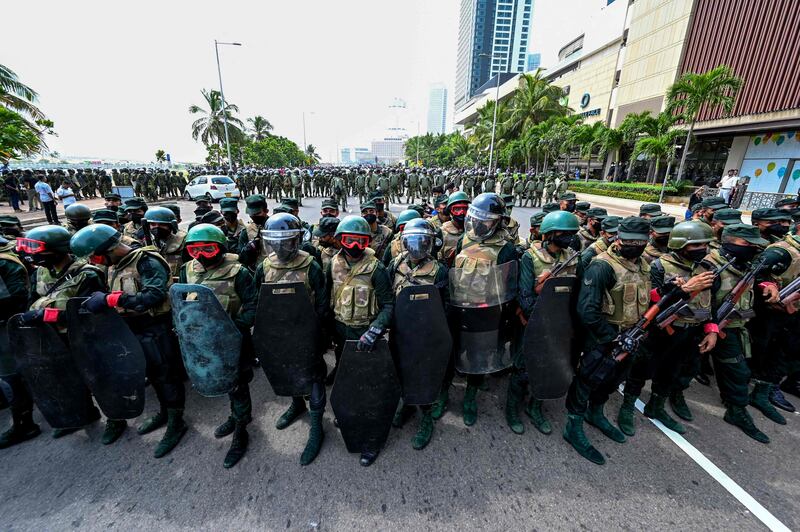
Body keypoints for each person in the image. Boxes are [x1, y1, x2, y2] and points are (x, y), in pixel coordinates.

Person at [71, 224, 188, 458]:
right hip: (132, 328)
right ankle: (165, 412)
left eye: (95, 256)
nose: (95, 262)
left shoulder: (147, 261)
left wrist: (111, 299)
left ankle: (177, 420)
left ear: (107, 249)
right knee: (151, 373)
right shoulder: (115, 266)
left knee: (166, 374)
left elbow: (153, 296)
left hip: (156, 327)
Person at [563, 216, 653, 465]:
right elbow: (587, 311)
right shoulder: (602, 266)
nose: (634, 245)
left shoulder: (644, 265)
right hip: (603, 337)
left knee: (613, 379)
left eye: (640, 241)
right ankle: (573, 426)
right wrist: (613, 338)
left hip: (631, 335)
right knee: (587, 380)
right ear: (618, 238)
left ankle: (596, 412)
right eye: (629, 240)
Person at [619, 221, 717, 436]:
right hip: (660, 331)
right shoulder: (659, 266)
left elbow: (714, 303)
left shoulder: (708, 269)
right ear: (681, 245)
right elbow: (649, 298)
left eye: (705, 245)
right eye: (696, 245)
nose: (703, 249)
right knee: (641, 370)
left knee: (671, 372)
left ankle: (657, 406)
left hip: (690, 332)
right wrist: (684, 289)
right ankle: (627, 407)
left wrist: (711, 329)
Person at [11, 226, 106, 441]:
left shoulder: (87, 274)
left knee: (97, 379)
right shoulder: (41, 272)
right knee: (67, 380)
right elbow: (32, 299)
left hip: (83, 337)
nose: (36, 258)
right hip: (52, 339)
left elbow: (87, 312)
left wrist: (48, 315)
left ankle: (115, 419)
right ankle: (81, 414)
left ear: (58, 250)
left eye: (40, 253)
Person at [180, 224, 257, 468]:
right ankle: (234, 415)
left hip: (232, 341)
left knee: (237, 385)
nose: (201, 255)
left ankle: (241, 429)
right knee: (219, 382)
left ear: (221, 249)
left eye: (208, 249)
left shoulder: (238, 273)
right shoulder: (188, 271)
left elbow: (254, 307)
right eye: (195, 250)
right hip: (202, 343)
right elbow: (182, 303)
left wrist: (232, 329)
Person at [255, 214, 329, 465]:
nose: (279, 247)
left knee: (315, 378)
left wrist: (318, 334)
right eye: (274, 241)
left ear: (296, 240)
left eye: (285, 241)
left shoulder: (311, 266)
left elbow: (322, 301)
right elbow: (258, 301)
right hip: (278, 333)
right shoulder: (265, 266)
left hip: (306, 332)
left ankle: (317, 426)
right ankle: (297, 404)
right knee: (286, 370)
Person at [325, 215, 394, 466]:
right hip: (342, 336)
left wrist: (375, 330)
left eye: (360, 241)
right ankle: (348, 417)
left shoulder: (377, 269)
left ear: (367, 242)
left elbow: (388, 304)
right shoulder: (333, 263)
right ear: (340, 240)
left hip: (367, 339)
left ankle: (371, 441)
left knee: (370, 392)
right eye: (348, 240)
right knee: (347, 384)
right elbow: (327, 298)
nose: (354, 247)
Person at [701, 224, 779, 442]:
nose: (753, 248)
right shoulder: (709, 264)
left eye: (755, 245)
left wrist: (767, 284)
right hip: (704, 325)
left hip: (730, 327)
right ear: (728, 241)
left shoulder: (745, 263)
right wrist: (711, 328)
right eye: (747, 244)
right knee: (683, 368)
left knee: (738, 371)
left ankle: (736, 409)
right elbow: (701, 301)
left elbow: (761, 274)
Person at [447, 193, 518, 426]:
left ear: (498, 222)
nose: (478, 223)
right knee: (454, 350)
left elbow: (507, 287)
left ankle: (470, 398)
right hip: (460, 307)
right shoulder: (464, 240)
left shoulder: (505, 249)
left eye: (486, 219)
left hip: (486, 313)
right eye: (476, 218)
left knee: (478, 357)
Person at [511, 211, 583, 436]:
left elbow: (577, 293)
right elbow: (524, 296)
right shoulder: (530, 257)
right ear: (550, 234)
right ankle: (512, 408)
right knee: (523, 369)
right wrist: (541, 316)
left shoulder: (573, 257)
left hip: (561, 325)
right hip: (533, 322)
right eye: (564, 233)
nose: (569, 238)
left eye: (572, 234)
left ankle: (535, 407)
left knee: (549, 368)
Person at [387, 218, 449, 449]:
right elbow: (386, 295)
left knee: (424, 375)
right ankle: (407, 404)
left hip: (426, 333)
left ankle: (426, 418)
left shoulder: (439, 270)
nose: (416, 247)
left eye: (422, 242)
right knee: (400, 371)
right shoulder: (395, 264)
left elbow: (445, 306)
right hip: (400, 330)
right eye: (411, 242)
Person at [0, 235, 36, 448]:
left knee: (12, 376)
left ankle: (24, 423)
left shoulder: (4, 261)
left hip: (7, 327)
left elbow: (11, 299)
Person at [237, 194, 270, 270]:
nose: (254, 216)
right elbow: (241, 259)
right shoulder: (246, 231)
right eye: (251, 214)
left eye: (258, 213)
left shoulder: (274, 227)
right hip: (254, 272)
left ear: (266, 211)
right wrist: (247, 250)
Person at [438, 192, 470, 266]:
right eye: (457, 209)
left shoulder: (473, 232)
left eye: (465, 209)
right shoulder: (442, 233)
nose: (462, 213)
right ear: (449, 211)